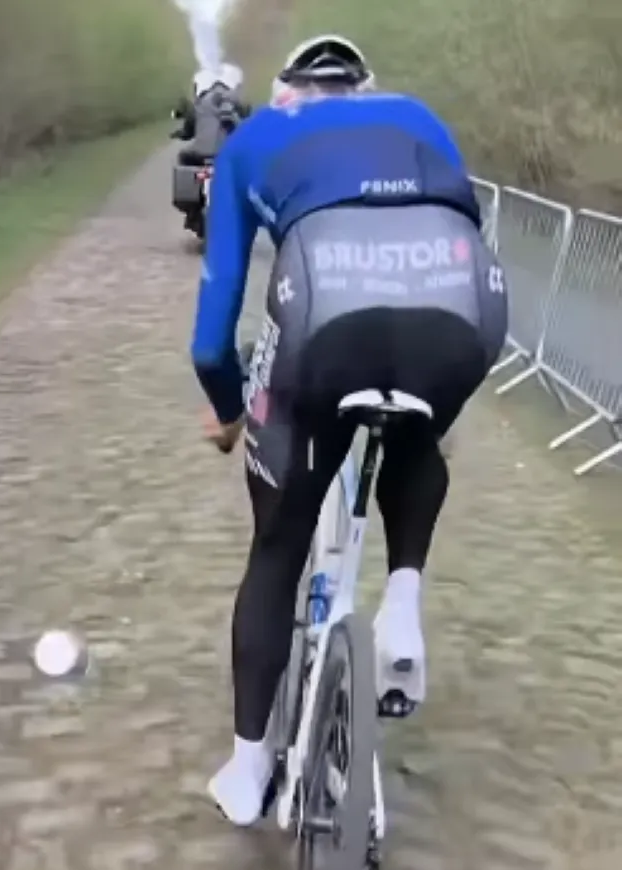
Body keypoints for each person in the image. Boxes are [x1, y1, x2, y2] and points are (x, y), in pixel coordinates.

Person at [191, 34, 508, 826]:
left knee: (276, 548)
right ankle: (402, 602)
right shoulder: (418, 116)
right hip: (461, 307)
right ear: (366, 87)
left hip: (325, 318)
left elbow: (210, 335)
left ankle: (248, 767)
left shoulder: (253, 138)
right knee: (418, 435)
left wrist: (232, 412)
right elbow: (457, 224)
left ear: (284, 90)